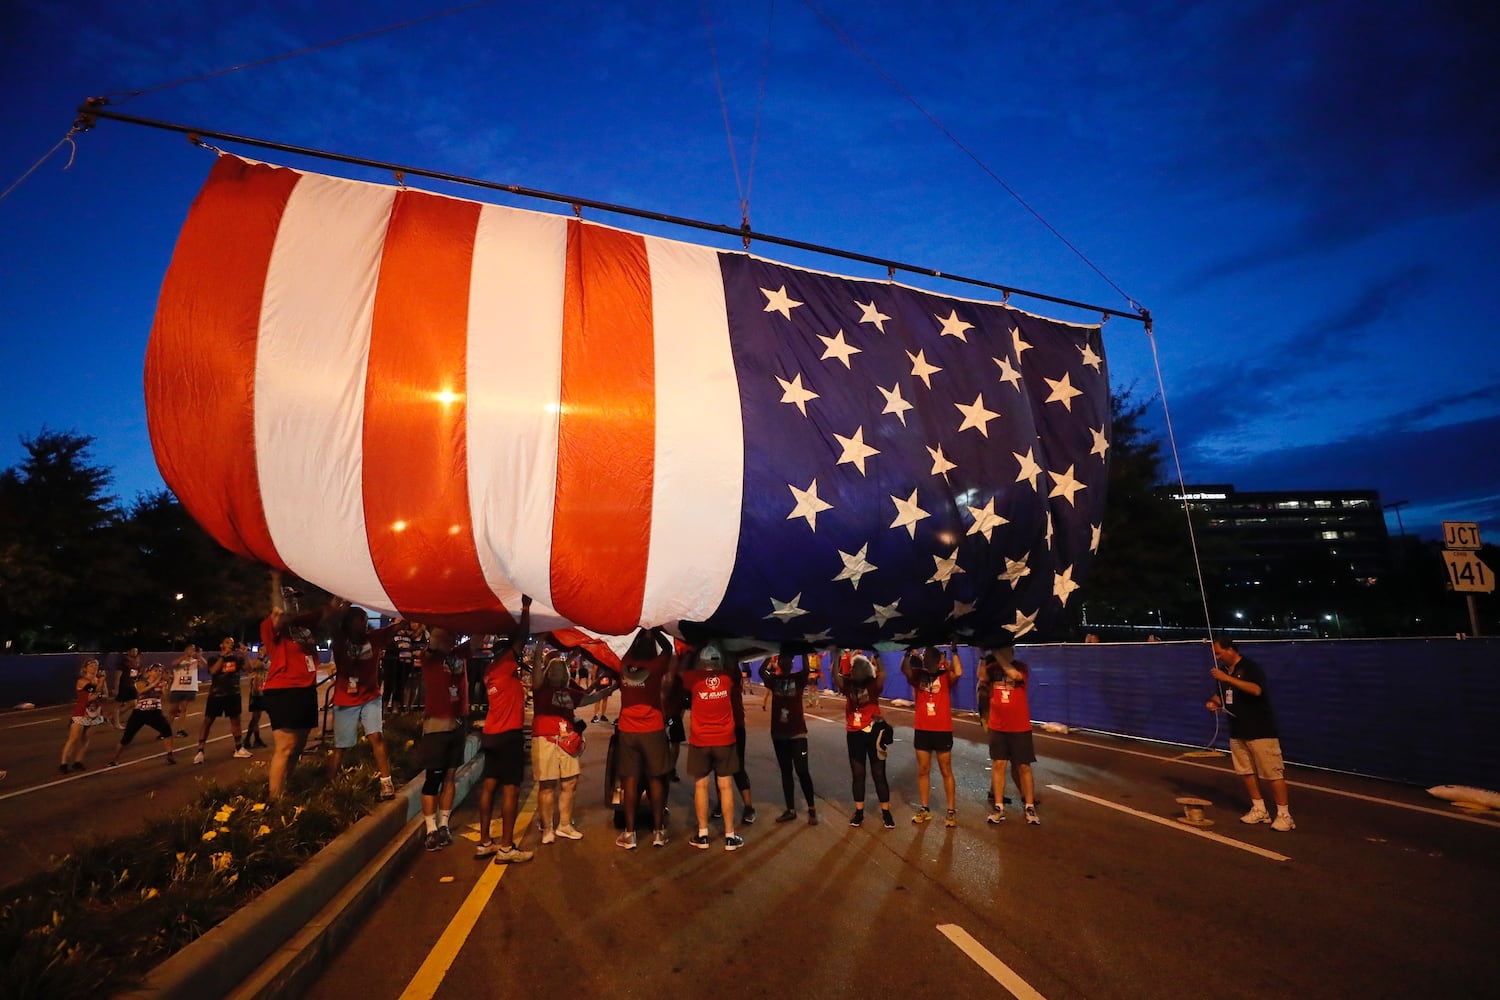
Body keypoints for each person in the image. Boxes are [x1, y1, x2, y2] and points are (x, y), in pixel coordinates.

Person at [470, 596, 533, 863]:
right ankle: (506, 847)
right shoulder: (507, 664)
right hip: (508, 736)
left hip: (492, 734)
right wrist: (526, 609)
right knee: (511, 789)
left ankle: (485, 842)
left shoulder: (491, 671)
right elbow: (523, 634)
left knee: (489, 786)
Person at [1208, 636, 1294, 831]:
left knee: (1272, 772)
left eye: (1219, 652)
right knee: (1246, 771)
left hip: (1260, 730)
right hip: (1238, 730)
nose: (1217, 657)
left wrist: (1228, 679)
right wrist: (1213, 702)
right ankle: (1259, 808)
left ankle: (1284, 814)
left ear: (1231, 650)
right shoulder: (1222, 672)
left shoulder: (1250, 667)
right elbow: (1221, 695)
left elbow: (1256, 690)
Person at [261, 572, 327, 799]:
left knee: (298, 748)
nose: (293, 602)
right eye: (288, 597)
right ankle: (274, 803)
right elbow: (279, 613)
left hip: (305, 690)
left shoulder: (304, 626)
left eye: (295, 598)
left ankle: (284, 790)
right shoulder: (272, 626)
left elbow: (334, 610)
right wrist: (276, 580)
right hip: (284, 690)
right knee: (285, 747)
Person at [532, 648, 607, 846]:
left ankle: (564, 825)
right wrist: (540, 642)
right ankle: (547, 828)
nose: (557, 672)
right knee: (547, 786)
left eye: (560, 669)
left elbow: (590, 698)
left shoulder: (570, 692)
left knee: (570, 783)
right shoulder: (540, 689)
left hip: (568, 740)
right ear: (547, 672)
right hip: (545, 740)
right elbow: (536, 674)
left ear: (566, 673)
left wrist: (611, 687)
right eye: (553, 669)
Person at [611, 628, 677, 849]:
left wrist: (640, 631)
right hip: (653, 729)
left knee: (630, 780)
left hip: (628, 730)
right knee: (656, 779)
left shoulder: (624, 665)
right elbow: (668, 648)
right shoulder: (656, 667)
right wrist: (656, 630)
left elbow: (626, 652)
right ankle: (658, 831)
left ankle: (630, 834)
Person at [327, 604, 402, 799]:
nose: (364, 624)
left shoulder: (375, 638)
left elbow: (398, 625)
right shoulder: (339, 640)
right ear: (349, 623)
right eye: (359, 620)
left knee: (376, 736)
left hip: (371, 697)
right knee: (341, 747)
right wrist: (343, 599)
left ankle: (387, 783)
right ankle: (329, 786)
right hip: (346, 699)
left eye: (365, 620)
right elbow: (333, 617)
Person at [679, 644, 745, 851]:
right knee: (725, 787)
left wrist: (690, 652)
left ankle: (703, 834)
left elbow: (681, 671)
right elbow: (733, 663)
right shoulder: (726, 679)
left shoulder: (694, 679)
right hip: (725, 741)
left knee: (701, 786)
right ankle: (730, 836)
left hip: (700, 741)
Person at [978, 649, 1040, 826]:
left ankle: (1029, 806)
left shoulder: (1021, 668)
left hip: (1019, 726)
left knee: (1024, 766)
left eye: (1006, 650)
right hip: (998, 726)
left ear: (1011, 652)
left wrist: (998, 656)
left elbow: (1014, 675)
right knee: (999, 764)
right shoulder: (992, 668)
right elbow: (982, 677)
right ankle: (998, 807)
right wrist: (982, 657)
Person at [833, 651, 894, 829]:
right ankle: (859, 811)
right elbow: (834, 676)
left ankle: (885, 811)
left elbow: (883, 673)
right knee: (859, 775)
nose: (853, 670)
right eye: (853, 667)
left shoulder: (872, 684)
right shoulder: (848, 684)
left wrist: (877, 654)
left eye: (855, 667)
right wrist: (836, 655)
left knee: (878, 774)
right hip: (854, 733)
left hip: (875, 732)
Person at [903, 645, 961, 827]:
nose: (924, 659)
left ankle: (951, 811)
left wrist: (955, 651)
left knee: (946, 770)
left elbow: (958, 672)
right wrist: (907, 651)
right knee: (923, 770)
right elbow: (904, 669)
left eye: (927, 657)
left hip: (942, 729)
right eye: (923, 656)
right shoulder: (919, 675)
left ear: (936, 660)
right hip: (922, 729)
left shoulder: (945, 675)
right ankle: (925, 808)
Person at [758, 652, 818, 824]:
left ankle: (811, 808)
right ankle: (790, 809)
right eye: (782, 658)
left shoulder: (798, 679)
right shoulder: (774, 680)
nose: (784, 661)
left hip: (797, 733)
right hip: (779, 734)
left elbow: (806, 669)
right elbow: (762, 671)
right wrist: (770, 653)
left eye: (787, 658)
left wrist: (804, 652)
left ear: (791, 664)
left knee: (802, 771)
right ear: (778, 663)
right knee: (786, 772)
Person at [195, 637, 252, 764]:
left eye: (232, 643)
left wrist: (245, 655)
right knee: (208, 721)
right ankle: (200, 751)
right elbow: (213, 671)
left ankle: (239, 748)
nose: (230, 645)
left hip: (233, 694)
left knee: (236, 721)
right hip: (216, 695)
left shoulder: (237, 659)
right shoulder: (214, 658)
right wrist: (223, 657)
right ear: (221, 645)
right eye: (227, 643)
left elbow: (249, 669)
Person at [107, 663, 177, 766]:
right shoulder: (141, 682)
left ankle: (170, 755)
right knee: (127, 737)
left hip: (155, 712)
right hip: (139, 713)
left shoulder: (162, 683)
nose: (158, 672)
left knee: (167, 730)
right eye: (155, 670)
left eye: (159, 671)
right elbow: (141, 691)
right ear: (149, 672)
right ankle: (114, 759)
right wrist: (156, 682)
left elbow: (167, 698)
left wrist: (169, 683)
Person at [59, 656, 107, 772]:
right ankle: (64, 763)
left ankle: (78, 761)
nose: (94, 667)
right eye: (91, 666)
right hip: (81, 713)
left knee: (86, 739)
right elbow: (92, 695)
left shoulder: (99, 680)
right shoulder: (82, 681)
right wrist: (101, 683)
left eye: (96, 665)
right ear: (85, 669)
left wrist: (100, 688)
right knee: (73, 738)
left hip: (95, 712)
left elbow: (105, 695)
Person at [167, 645, 205, 738]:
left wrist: (199, 656)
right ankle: (166, 730)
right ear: (185, 650)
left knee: (184, 709)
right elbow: (173, 665)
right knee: (173, 710)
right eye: (189, 649)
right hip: (177, 688)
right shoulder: (180, 661)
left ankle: (181, 730)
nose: (191, 651)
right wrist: (185, 657)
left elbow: (204, 665)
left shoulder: (195, 661)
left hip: (190, 688)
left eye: (193, 649)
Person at [244, 646, 269, 749]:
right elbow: (251, 668)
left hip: (266, 691)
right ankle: (247, 739)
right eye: (260, 650)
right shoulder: (256, 661)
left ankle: (256, 739)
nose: (261, 651)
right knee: (255, 717)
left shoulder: (268, 661)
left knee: (257, 717)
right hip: (256, 692)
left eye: (264, 649)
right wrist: (261, 658)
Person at [111, 648, 142, 728]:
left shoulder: (136, 662)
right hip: (123, 685)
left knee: (133, 703)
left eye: (136, 651)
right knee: (117, 704)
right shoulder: (123, 662)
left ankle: (113, 718)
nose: (135, 653)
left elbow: (135, 675)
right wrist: (116, 688)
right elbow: (117, 676)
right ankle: (116, 724)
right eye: (133, 651)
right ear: (128, 652)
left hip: (131, 685)